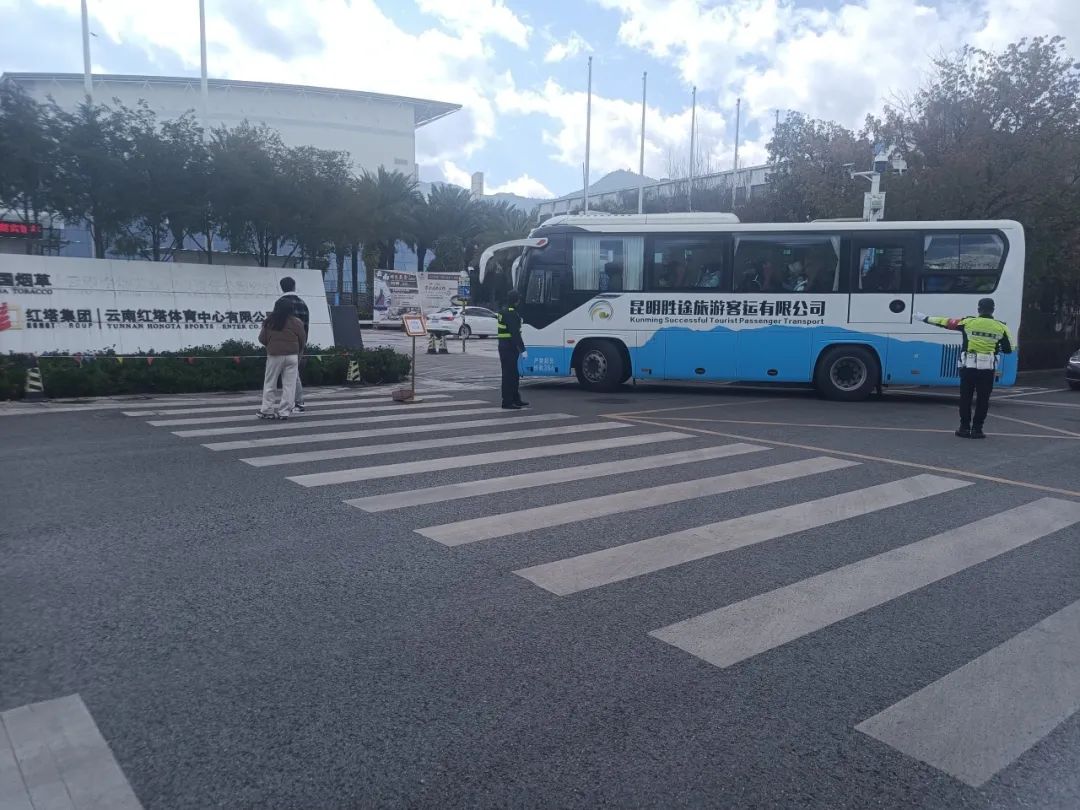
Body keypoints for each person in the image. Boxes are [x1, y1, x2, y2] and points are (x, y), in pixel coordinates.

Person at [916, 298, 1014, 439]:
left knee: (965, 398)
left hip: (968, 368)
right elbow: (1009, 349)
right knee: (983, 400)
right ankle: (977, 430)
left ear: (979, 309)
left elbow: (945, 322)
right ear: (993, 310)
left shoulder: (968, 322)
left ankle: (964, 428)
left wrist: (925, 318)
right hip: (987, 370)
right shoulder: (1001, 327)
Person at [257, 298, 306, 421]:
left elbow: (262, 339)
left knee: (270, 383)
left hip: (275, 355)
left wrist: (272, 343)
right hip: (292, 356)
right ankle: (284, 412)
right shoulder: (297, 322)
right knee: (289, 385)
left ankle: (267, 410)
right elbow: (302, 340)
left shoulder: (270, 321)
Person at [277, 277, 310, 412]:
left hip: (284, 344)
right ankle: (294, 401)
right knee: (293, 372)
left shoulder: (280, 303)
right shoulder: (302, 303)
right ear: (294, 286)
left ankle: (298, 402)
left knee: (291, 374)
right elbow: (306, 326)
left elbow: (277, 325)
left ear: (282, 287)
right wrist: (303, 343)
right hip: (299, 343)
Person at [497, 290, 528, 410]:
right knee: (509, 375)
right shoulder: (511, 314)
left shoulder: (504, 311)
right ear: (516, 301)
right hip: (509, 348)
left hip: (504, 346)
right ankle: (507, 401)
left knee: (514, 374)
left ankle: (516, 399)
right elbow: (515, 334)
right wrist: (523, 350)